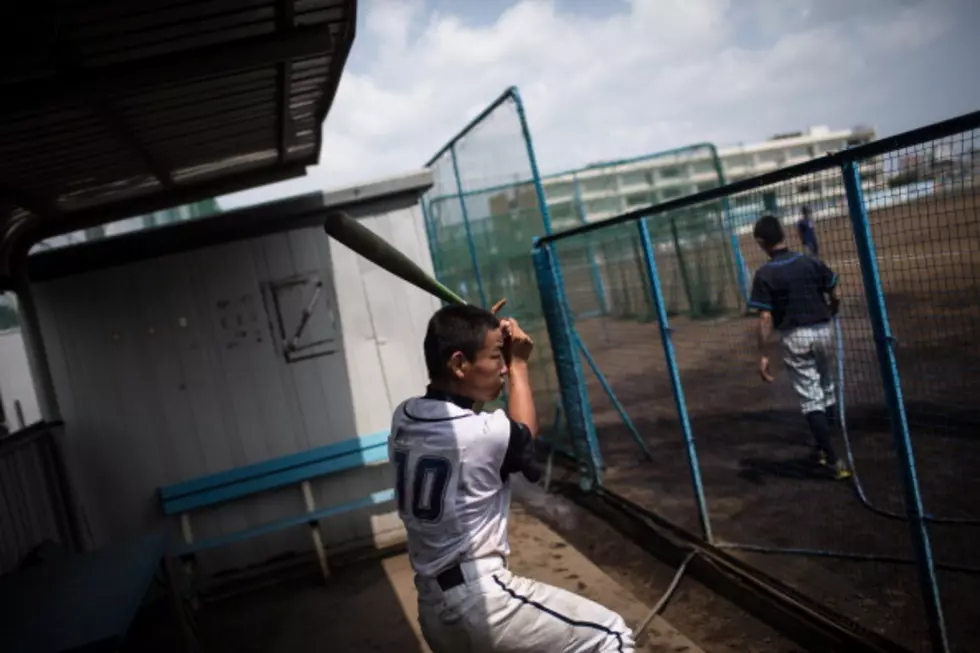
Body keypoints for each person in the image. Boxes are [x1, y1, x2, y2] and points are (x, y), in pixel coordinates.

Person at [389, 300, 635, 652]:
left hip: (432, 608)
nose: (502, 367)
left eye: (503, 358)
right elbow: (523, 435)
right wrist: (519, 363)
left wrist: (477, 338)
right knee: (609, 635)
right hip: (481, 600)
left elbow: (454, 403)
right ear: (458, 363)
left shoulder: (404, 417)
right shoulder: (484, 433)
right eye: (495, 358)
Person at [749, 215, 852, 480]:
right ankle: (821, 447)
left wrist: (762, 355)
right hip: (824, 330)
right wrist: (833, 309)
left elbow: (765, 317)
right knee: (827, 388)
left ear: (761, 242)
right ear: (783, 234)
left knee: (810, 398)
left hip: (795, 337)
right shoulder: (809, 260)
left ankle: (833, 460)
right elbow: (835, 292)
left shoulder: (765, 274)